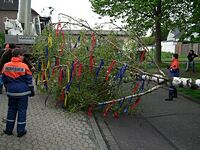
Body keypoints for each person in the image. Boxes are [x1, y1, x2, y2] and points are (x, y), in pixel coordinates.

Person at [1, 48, 35, 137]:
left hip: (11, 93)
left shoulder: (6, 65)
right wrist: (31, 91)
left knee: (11, 110)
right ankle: (20, 131)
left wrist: (8, 87)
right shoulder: (24, 66)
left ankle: (8, 130)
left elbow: (3, 79)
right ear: (19, 56)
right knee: (22, 111)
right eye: (22, 55)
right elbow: (29, 81)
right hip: (23, 93)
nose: (23, 57)